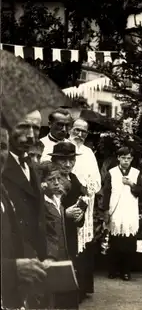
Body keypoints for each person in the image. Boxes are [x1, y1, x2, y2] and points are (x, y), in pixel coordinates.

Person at [1, 110, 53, 307]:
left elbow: (39, 217)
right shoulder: (3, 163)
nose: (31, 135)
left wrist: (47, 256)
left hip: (33, 269)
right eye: (23, 126)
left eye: (36, 128)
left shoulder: (30, 165)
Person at [50, 141, 88, 304]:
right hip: (53, 235)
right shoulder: (51, 180)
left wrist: (80, 216)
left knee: (70, 266)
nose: (68, 164)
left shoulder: (74, 179)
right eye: (63, 160)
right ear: (54, 161)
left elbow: (79, 206)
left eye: (71, 160)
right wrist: (64, 214)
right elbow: (42, 210)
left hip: (70, 234)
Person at [39, 161, 79, 309]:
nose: (56, 183)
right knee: (50, 300)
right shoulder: (41, 204)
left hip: (63, 255)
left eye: (58, 179)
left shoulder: (58, 200)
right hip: (50, 257)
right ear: (42, 183)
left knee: (65, 299)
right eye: (51, 180)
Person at [68, 118, 101, 296]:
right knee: (71, 242)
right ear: (70, 130)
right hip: (67, 201)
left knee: (84, 244)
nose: (80, 134)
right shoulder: (64, 146)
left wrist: (89, 187)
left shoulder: (88, 152)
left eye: (84, 132)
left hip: (86, 201)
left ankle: (83, 288)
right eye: (77, 130)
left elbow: (97, 179)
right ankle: (70, 289)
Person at [101, 147, 142, 281]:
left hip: (130, 210)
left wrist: (132, 184)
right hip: (116, 210)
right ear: (118, 158)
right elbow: (106, 193)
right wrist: (106, 211)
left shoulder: (136, 173)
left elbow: (141, 192)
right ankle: (113, 269)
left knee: (129, 242)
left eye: (129, 158)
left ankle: (126, 271)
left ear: (132, 159)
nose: (126, 161)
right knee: (115, 241)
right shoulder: (112, 173)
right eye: (123, 158)